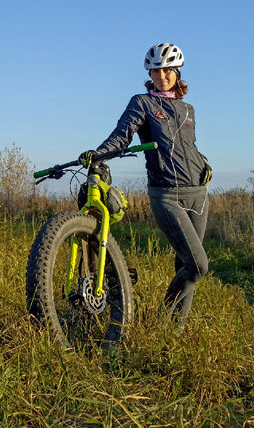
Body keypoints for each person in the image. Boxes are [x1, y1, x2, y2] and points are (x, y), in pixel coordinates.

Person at [79, 42, 212, 327]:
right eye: (156, 70)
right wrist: (98, 154)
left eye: (167, 70)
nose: (162, 75)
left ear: (177, 72)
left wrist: (204, 163)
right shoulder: (142, 103)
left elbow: (188, 145)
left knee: (184, 265)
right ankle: (162, 320)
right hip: (166, 194)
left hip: (198, 194)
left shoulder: (188, 109)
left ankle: (173, 332)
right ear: (149, 73)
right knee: (198, 265)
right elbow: (122, 135)